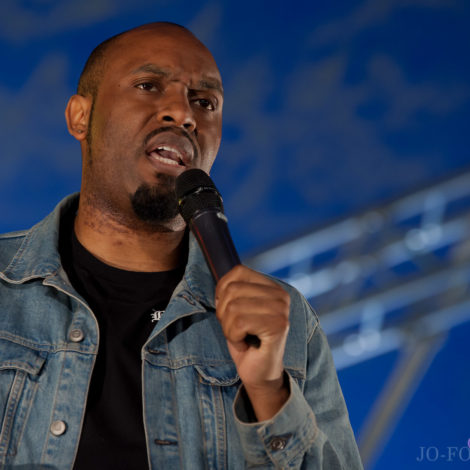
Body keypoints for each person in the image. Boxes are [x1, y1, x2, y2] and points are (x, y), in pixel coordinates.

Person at [0, 22, 363, 469]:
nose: (183, 113)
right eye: (149, 86)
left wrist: (269, 390)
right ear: (80, 116)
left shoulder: (285, 323)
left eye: (204, 102)